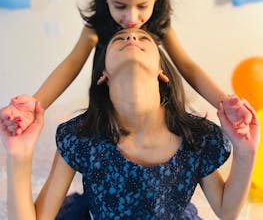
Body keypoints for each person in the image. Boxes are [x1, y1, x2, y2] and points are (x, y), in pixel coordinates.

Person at [0, 0, 251, 135]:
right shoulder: (96, 27)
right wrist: (36, 104)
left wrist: (224, 102)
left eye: (142, 6)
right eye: (119, 6)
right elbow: (71, 65)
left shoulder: (160, 25)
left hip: (156, 111)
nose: (131, 19)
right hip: (111, 109)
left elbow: (187, 66)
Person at [0, 28, 259, 220]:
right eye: (119, 39)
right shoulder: (80, 136)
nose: (132, 37)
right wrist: (18, 157)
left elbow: (227, 211)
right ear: (104, 76)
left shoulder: (195, 136)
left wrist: (246, 152)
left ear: (162, 73)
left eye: (143, 38)